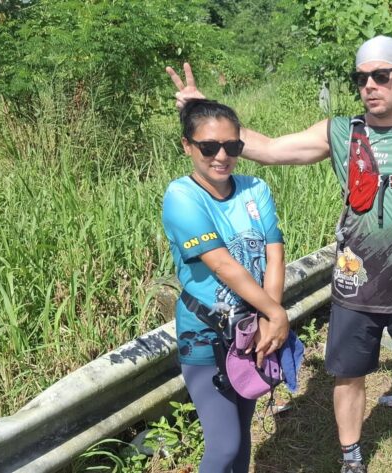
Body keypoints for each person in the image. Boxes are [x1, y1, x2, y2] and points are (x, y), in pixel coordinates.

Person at [167, 35, 392, 473]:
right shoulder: (340, 132)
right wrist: (202, 109)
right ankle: (351, 458)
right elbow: (269, 149)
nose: (370, 85)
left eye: (380, 76)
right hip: (355, 284)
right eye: (361, 78)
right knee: (348, 374)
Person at [162, 99, 290, 473]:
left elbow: (274, 254)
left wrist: (268, 318)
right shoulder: (182, 196)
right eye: (208, 147)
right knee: (224, 444)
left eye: (232, 146)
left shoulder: (255, 188)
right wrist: (275, 312)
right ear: (187, 145)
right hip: (205, 334)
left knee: (242, 434)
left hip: (251, 330)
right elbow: (222, 264)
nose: (221, 156)